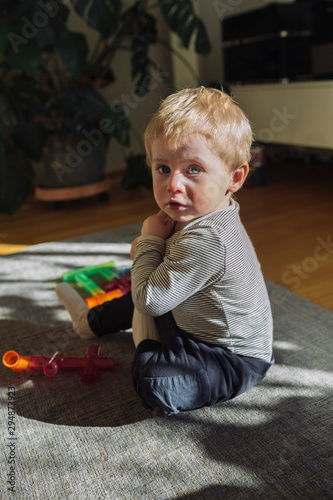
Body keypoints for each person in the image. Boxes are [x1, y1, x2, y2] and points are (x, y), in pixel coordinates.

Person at [56, 86, 274, 415]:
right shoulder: (206, 210)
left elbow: (149, 299)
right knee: (150, 285)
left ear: (235, 177)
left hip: (229, 357)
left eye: (194, 170)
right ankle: (90, 322)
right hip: (193, 323)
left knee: (155, 383)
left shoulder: (209, 237)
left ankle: (147, 340)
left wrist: (149, 244)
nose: (173, 184)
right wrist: (151, 252)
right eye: (163, 169)